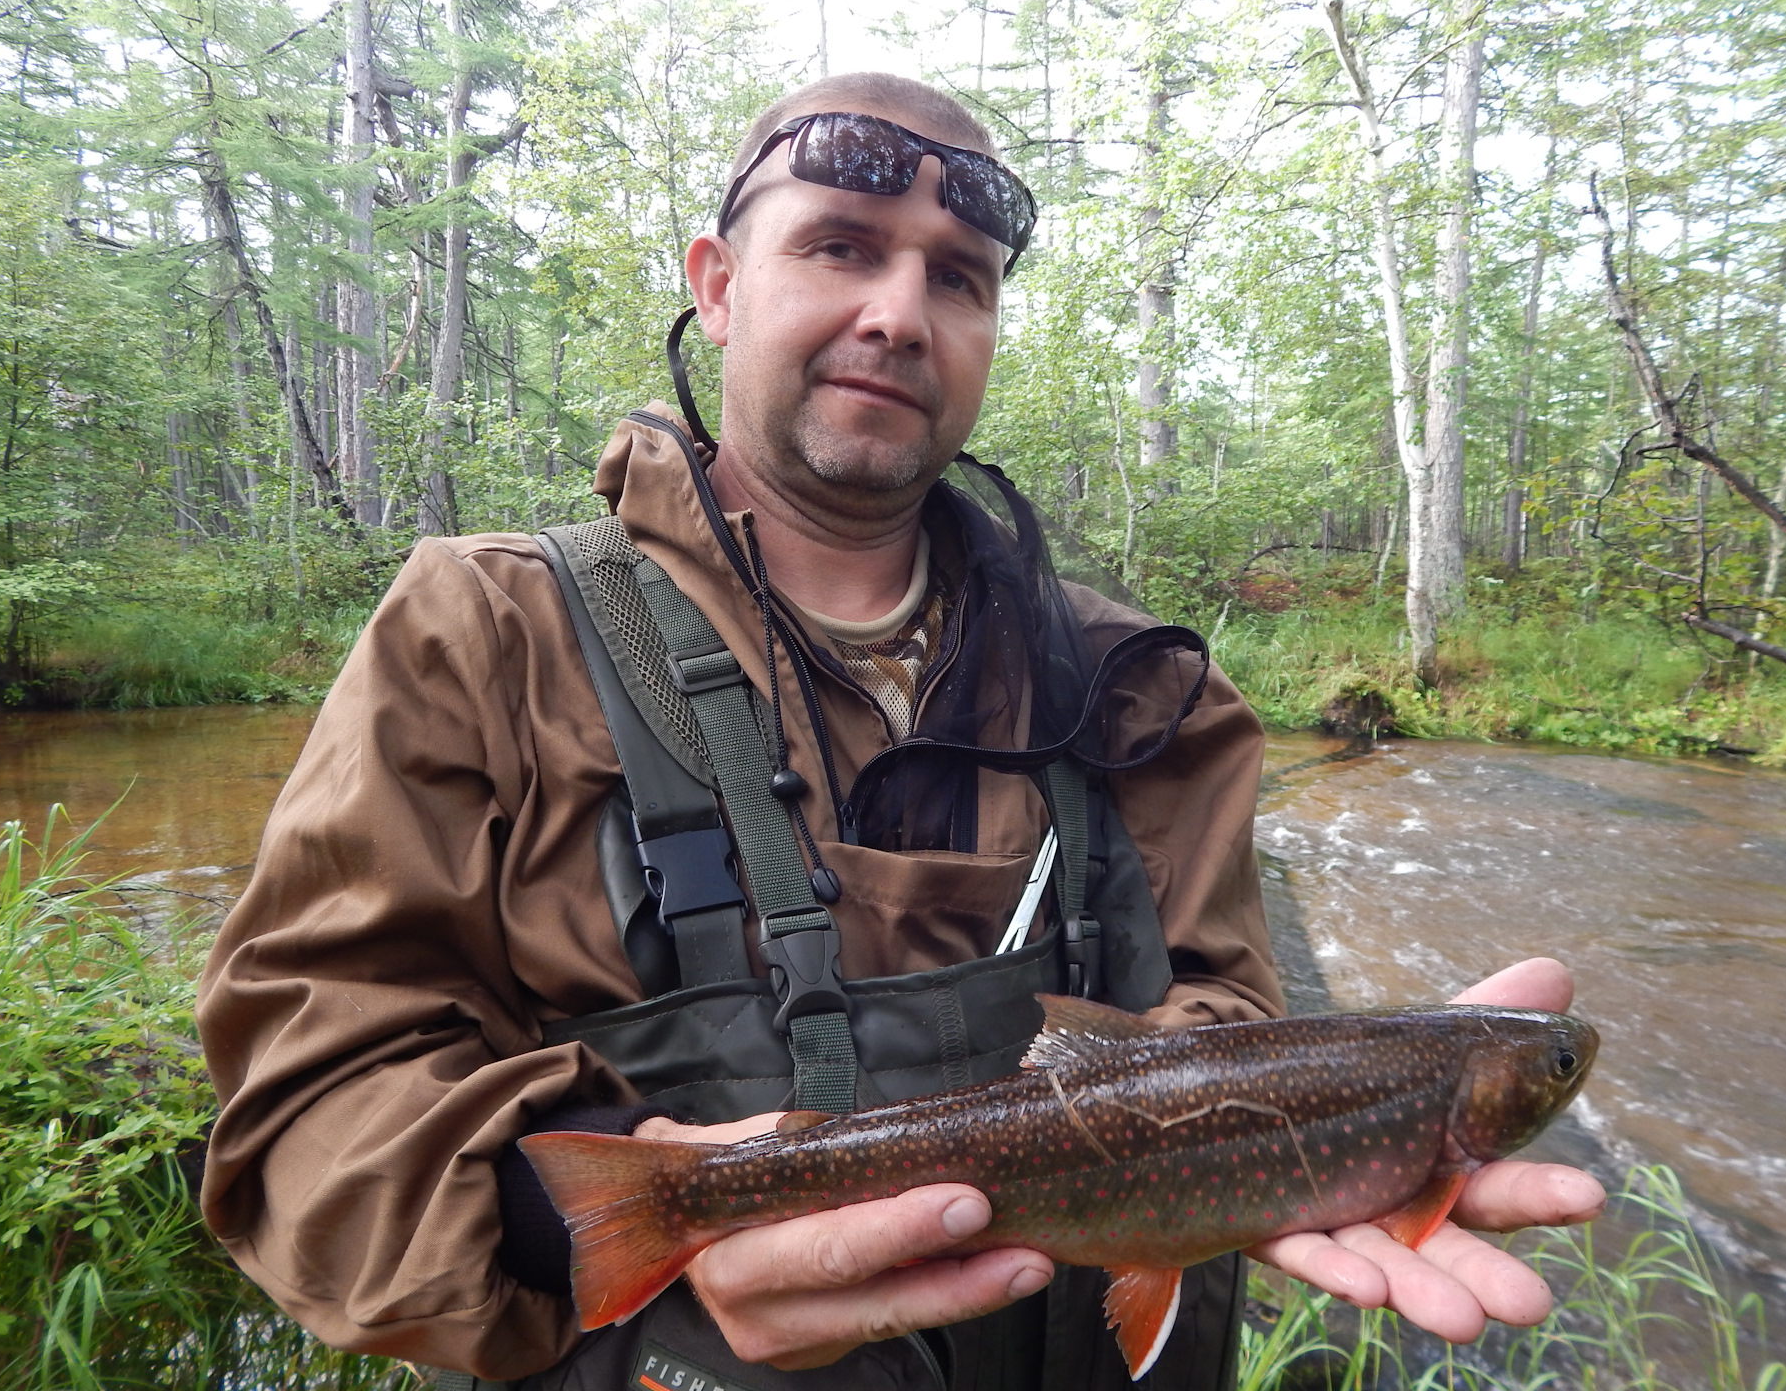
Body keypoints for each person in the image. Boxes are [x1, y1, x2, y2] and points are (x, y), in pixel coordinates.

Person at [196, 72, 1604, 1390]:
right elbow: (304, 1104)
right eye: (842, 247)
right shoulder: (481, 633)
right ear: (719, 284)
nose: (899, 312)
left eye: (959, 278)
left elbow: (1222, 1026)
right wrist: (597, 1222)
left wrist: (1327, 1132)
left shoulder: (1145, 693)